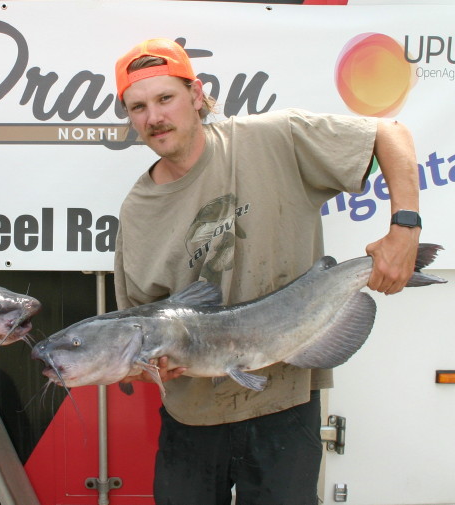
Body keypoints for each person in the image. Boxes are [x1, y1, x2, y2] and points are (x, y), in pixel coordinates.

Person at [112, 38, 421, 505]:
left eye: (165, 98)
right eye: (138, 107)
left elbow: (389, 133)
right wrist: (149, 367)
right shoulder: (137, 212)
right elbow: (137, 328)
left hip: (285, 404)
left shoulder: (274, 138)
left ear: (196, 95)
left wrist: (405, 228)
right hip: (192, 420)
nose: (154, 117)